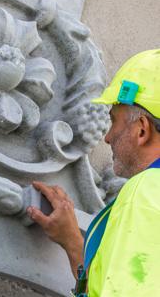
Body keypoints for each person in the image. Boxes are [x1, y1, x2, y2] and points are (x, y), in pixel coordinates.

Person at [27, 49, 160, 296]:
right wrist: (74, 244)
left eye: (114, 120)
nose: (107, 137)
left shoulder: (148, 190)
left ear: (142, 130)